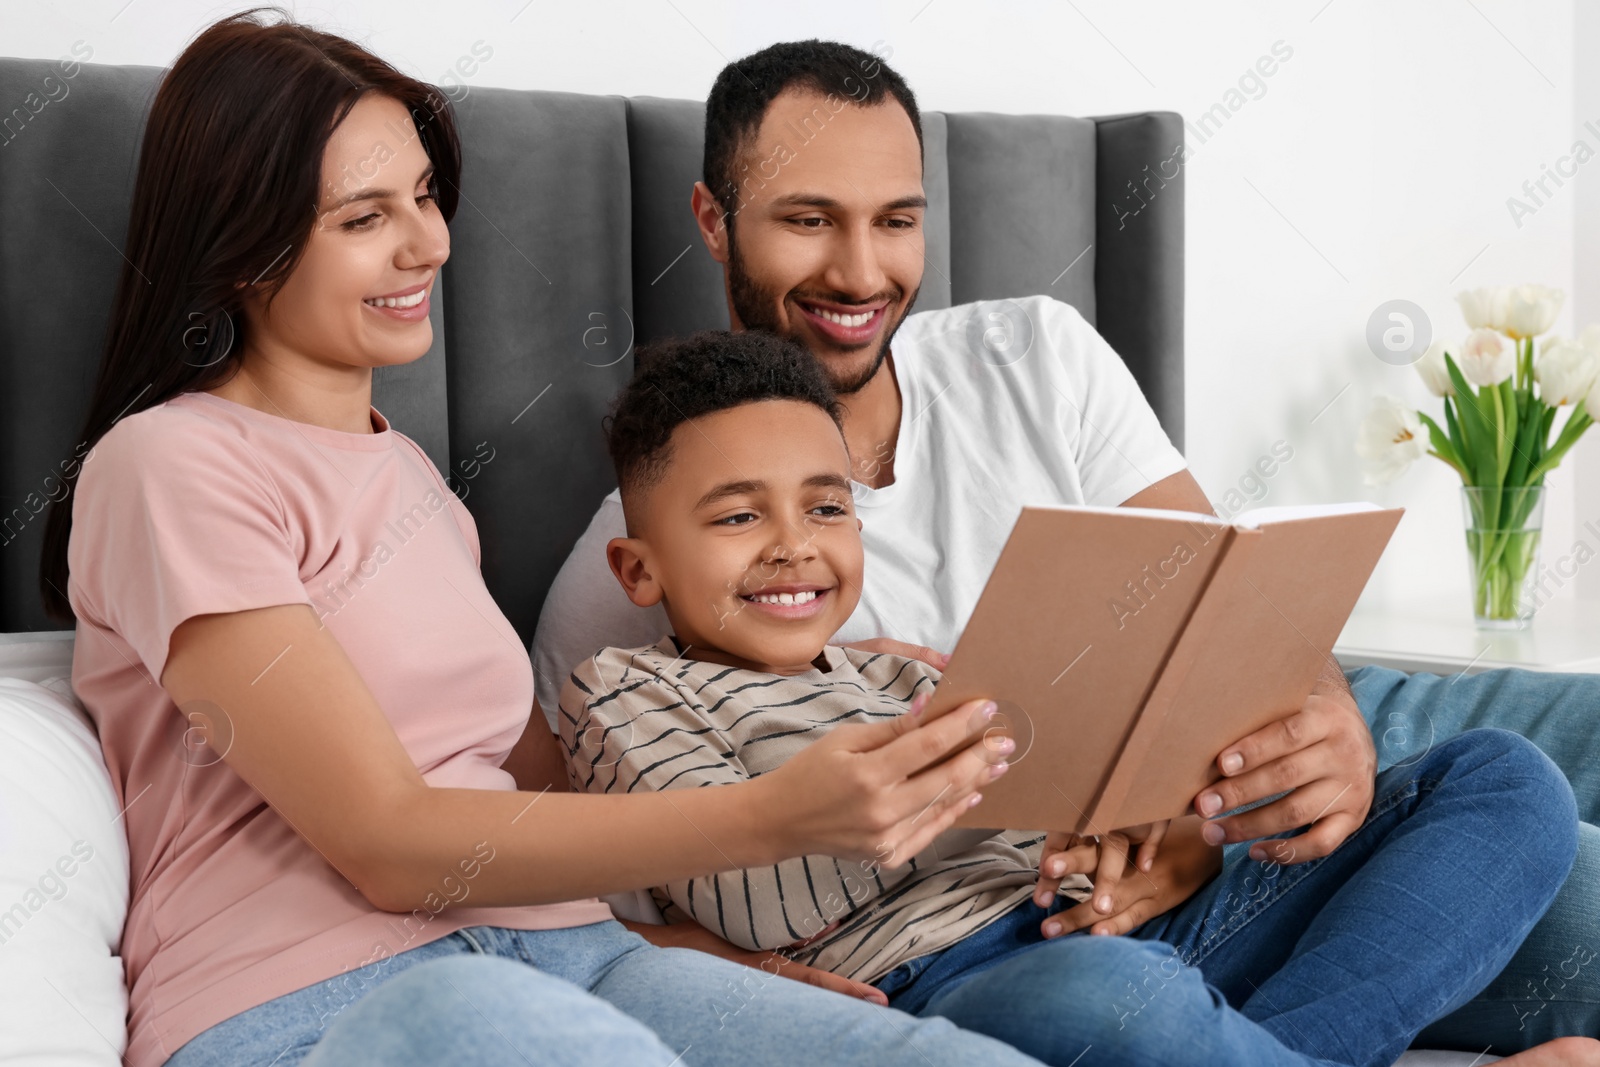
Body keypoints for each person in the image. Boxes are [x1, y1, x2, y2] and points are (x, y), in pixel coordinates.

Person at [37, 12, 1071, 1067]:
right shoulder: (167, 463)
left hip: (582, 956)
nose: (426, 243)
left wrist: (817, 694)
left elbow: (553, 792)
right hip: (319, 999)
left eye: (426, 197)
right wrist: (775, 815)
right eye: (364, 217)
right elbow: (390, 843)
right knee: (498, 1026)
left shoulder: (414, 485)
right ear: (243, 242)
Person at [532, 38, 1600, 1053]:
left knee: (1515, 780)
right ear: (714, 222)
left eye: (896, 220)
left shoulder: (1032, 351)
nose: (861, 272)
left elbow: (1245, 606)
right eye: (808, 220)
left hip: (1254, 758)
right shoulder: (619, 608)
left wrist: (1314, 724)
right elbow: (599, 904)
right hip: (1046, 937)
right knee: (1562, 940)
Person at [555, 326, 1590, 1066]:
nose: (794, 542)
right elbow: (759, 897)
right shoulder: (623, 692)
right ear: (638, 569)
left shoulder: (904, 670)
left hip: (1118, 923)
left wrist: (1121, 830)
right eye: (738, 517)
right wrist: (950, 780)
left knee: (1503, 778)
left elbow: (1073, 809)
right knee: (1115, 999)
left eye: (826, 505)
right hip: (956, 978)